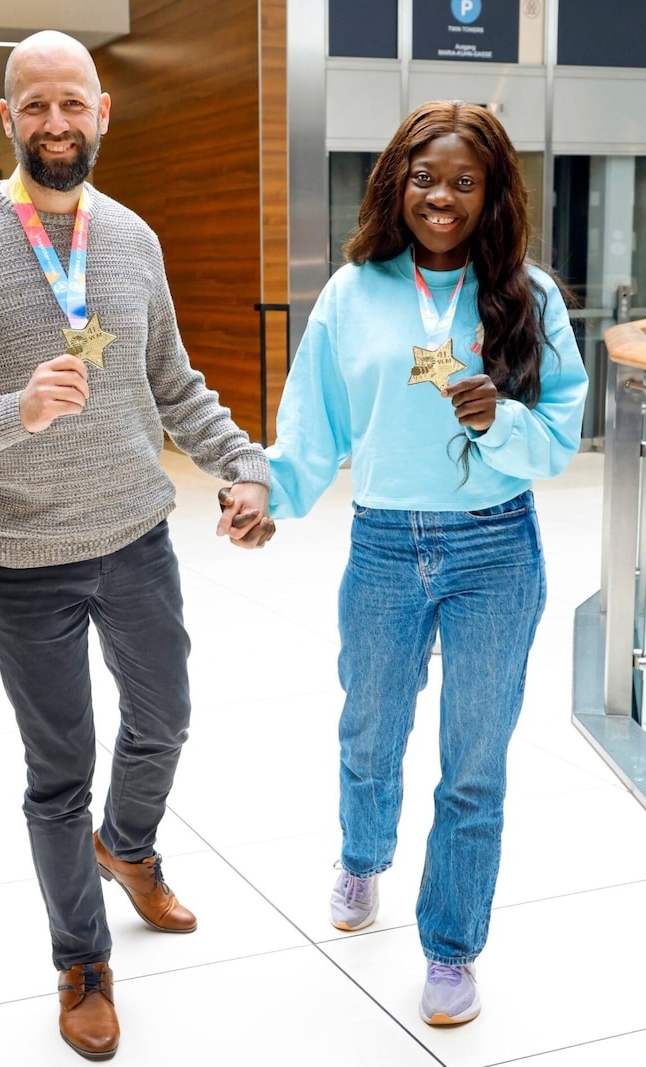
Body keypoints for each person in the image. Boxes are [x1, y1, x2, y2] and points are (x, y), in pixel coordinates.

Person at [0, 30, 274, 1062]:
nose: (56, 123)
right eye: (34, 107)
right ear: (7, 119)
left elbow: (173, 383)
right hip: (24, 555)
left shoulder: (132, 237)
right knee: (58, 768)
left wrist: (242, 463)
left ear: (103, 111)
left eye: (73, 104)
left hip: (137, 531)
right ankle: (81, 961)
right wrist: (14, 411)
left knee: (166, 718)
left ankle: (129, 846)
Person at [251, 99, 588, 1026]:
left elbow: (561, 437)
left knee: (473, 766)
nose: (441, 196)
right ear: (395, 182)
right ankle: (361, 858)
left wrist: (500, 419)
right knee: (370, 730)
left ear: (493, 194)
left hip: (495, 551)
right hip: (384, 544)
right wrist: (267, 498)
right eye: (424, 177)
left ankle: (451, 948)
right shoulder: (354, 292)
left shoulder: (531, 294)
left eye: (464, 182)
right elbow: (310, 423)